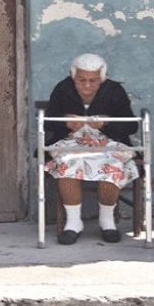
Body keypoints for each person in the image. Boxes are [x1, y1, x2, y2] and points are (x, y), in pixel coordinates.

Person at [43, 53, 139, 245]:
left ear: (102, 78)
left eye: (93, 80)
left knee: (111, 165)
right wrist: (66, 123)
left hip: (108, 141)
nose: (87, 85)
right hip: (71, 141)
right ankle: (73, 223)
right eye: (81, 79)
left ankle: (107, 221)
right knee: (67, 163)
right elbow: (48, 123)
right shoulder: (63, 89)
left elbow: (131, 126)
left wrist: (106, 123)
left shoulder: (114, 90)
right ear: (73, 76)